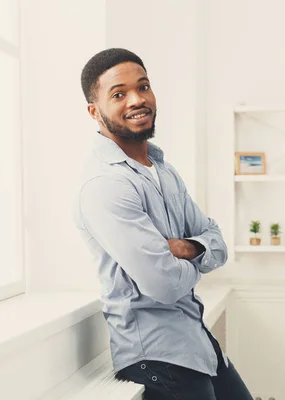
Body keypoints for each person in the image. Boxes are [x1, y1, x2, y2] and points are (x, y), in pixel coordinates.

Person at [73, 48, 254, 400]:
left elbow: (218, 243)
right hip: (157, 360)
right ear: (94, 111)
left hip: (198, 343)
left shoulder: (163, 170)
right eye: (119, 94)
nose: (137, 100)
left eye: (143, 86)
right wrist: (194, 259)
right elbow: (165, 286)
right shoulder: (105, 185)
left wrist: (187, 248)